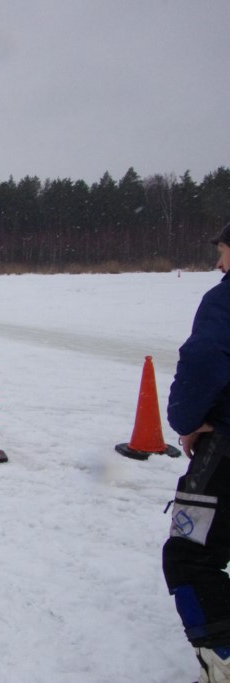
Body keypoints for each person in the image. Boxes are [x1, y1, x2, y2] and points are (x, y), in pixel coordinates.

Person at [164, 221, 230, 683]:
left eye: (223, 252)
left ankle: (222, 662)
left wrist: (187, 421)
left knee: (188, 556)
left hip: (225, 450)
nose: (220, 263)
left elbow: (205, 358)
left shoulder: (224, 300)